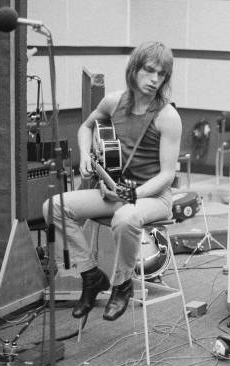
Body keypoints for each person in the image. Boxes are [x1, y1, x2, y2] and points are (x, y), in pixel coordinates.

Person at [43, 41, 182, 321]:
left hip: (152, 198)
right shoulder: (114, 102)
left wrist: (133, 195)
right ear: (134, 69)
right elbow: (86, 126)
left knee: (125, 217)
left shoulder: (168, 116)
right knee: (52, 207)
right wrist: (84, 155)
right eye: (149, 70)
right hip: (114, 193)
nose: (155, 79)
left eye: (162, 74)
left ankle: (122, 284)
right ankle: (91, 275)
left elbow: (167, 175)